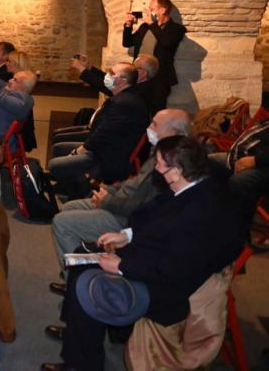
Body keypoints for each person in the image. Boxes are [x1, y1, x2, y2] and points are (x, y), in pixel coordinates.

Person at [41, 136, 243, 371]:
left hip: (167, 288)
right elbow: (153, 219)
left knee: (90, 284)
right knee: (82, 255)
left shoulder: (200, 214)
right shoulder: (190, 185)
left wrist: (120, 267)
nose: (155, 167)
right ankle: (79, 333)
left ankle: (81, 363)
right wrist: (127, 236)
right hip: (154, 258)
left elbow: (171, 270)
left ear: (175, 172)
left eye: (159, 163)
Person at [49, 109, 192, 291]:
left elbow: (143, 209)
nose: (149, 127)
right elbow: (134, 181)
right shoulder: (162, 150)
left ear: (171, 133)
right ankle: (80, 267)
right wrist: (109, 190)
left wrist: (106, 201)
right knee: (69, 207)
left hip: (126, 217)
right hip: (119, 202)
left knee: (62, 223)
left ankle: (77, 285)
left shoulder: (172, 166)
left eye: (155, 124)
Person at [48, 62, 149, 200]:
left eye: (112, 73)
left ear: (122, 81)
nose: (108, 76)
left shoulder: (123, 103)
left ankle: (85, 192)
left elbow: (103, 134)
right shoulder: (125, 94)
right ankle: (73, 185)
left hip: (110, 157)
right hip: (105, 147)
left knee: (54, 165)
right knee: (58, 148)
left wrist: (78, 151)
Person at [208, 117, 269, 227]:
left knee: (239, 181)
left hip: (262, 165)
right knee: (204, 162)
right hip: (246, 156)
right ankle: (205, 216)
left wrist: (255, 160)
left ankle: (236, 230)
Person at [71, 53, 168, 119]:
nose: (131, 69)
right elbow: (109, 80)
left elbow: (108, 87)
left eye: (135, 67)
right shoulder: (140, 83)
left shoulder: (141, 90)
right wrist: (89, 68)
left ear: (143, 73)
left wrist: (81, 69)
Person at [122, 0, 187, 90]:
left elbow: (167, 42)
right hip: (138, 75)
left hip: (159, 78)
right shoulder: (145, 27)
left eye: (152, 9)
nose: (148, 12)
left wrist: (152, 24)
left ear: (162, 11)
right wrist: (128, 25)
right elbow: (127, 43)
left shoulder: (176, 29)